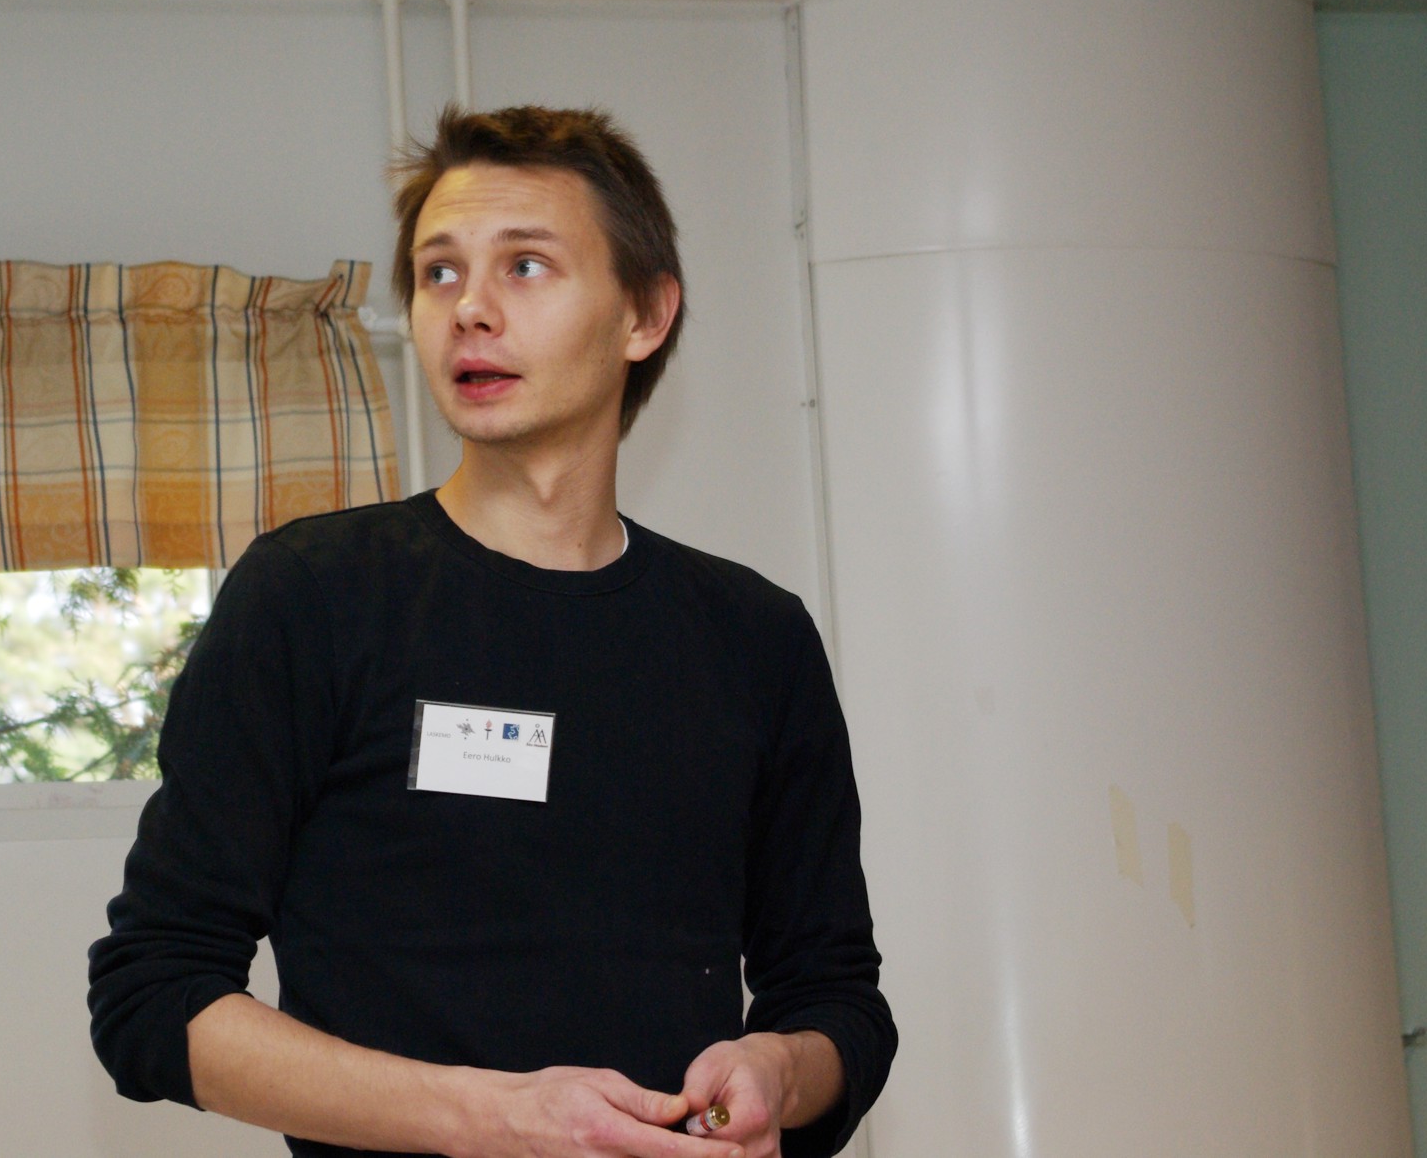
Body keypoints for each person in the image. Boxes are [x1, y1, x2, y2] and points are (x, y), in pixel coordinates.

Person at [88, 105, 895, 1158]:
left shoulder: (756, 637)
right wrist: (492, 1119)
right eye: (438, 272)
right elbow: (152, 994)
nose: (468, 308)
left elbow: (836, 999)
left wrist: (778, 1070)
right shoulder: (312, 596)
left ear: (644, 314)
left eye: (525, 266)